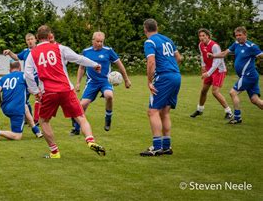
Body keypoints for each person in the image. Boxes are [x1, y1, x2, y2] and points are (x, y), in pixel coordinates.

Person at [24, 25, 106, 159]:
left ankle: (54, 152)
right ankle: (90, 141)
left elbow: (27, 74)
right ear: (50, 36)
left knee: (44, 121)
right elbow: (78, 58)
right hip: (66, 89)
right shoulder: (59, 48)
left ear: (37, 38)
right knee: (80, 117)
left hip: (48, 91)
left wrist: (35, 91)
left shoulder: (32, 53)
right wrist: (94, 64)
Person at [71, 31, 131, 135]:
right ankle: (76, 128)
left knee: (109, 96)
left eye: (102, 42)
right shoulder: (86, 51)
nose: (100, 43)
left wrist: (126, 79)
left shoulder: (109, 51)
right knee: (82, 105)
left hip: (105, 81)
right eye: (98, 41)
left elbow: (120, 65)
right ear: (93, 40)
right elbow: (81, 68)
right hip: (92, 83)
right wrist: (78, 83)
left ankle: (108, 118)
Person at [141, 19, 182, 156]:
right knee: (164, 112)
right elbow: (179, 58)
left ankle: (157, 146)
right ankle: (166, 146)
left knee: (152, 112)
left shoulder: (150, 42)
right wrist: (171, 68)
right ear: (157, 27)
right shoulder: (167, 39)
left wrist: (149, 81)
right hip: (176, 76)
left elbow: (151, 61)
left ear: (145, 29)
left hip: (164, 78)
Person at [208, 26, 263, 124]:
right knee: (255, 100)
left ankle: (237, 118)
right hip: (248, 76)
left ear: (245, 35)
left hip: (248, 75)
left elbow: (261, 55)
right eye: (236, 35)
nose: (237, 37)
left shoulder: (251, 46)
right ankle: (237, 117)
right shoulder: (236, 44)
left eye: (240, 35)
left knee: (233, 92)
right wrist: (214, 56)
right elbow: (225, 53)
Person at [0, 61, 43, 141]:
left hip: (5, 108)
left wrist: (0, 102)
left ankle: (36, 131)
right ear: (20, 68)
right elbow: (33, 82)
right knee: (17, 136)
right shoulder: (23, 75)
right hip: (16, 109)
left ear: (10, 69)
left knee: (25, 107)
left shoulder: (3, 78)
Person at [190, 28, 233, 119]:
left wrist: (208, 73)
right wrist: (203, 66)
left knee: (215, 92)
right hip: (209, 70)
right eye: (200, 36)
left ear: (208, 36)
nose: (201, 38)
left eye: (203, 36)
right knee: (203, 90)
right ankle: (200, 110)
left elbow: (217, 62)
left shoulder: (214, 46)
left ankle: (229, 112)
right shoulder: (200, 44)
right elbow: (202, 55)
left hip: (219, 70)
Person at [3, 33, 41, 123]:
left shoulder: (40, 50)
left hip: (39, 78)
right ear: (26, 42)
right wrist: (9, 52)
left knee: (39, 98)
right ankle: (30, 118)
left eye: (31, 39)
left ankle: (36, 119)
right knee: (23, 100)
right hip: (27, 79)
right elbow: (16, 57)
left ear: (35, 39)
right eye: (28, 40)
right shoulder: (26, 51)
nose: (30, 41)